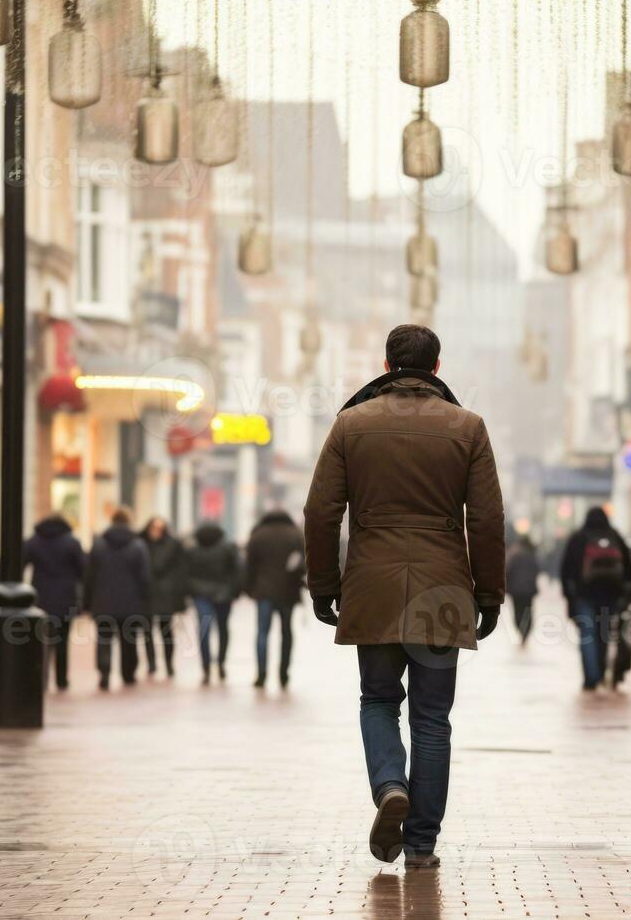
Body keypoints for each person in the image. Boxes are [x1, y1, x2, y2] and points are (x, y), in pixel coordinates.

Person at [304, 323, 505, 869]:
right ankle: (421, 844)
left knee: (378, 700)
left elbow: (320, 512)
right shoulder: (468, 427)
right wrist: (489, 595)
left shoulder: (352, 424)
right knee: (433, 718)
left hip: (373, 585)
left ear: (389, 364)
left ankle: (390, 783)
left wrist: (324, 586)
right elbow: (486, 520)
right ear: (436, 368)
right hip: (443, 587)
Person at [560, 506, 631, 691]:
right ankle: (600, 673)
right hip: (611, 596)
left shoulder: (578, 538)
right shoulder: (615, 537)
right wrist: (626, 595)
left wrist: (570, 595)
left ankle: (591, 678)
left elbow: (565, 569)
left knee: (587, 636)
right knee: (604, 636)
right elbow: (629, 569)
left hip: (584, 595)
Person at [83, 508, 151, 690]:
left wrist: (87, 602)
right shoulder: (138, 545)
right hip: (131, 602)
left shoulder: (98, 544)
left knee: (104, 639)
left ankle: (104, 672)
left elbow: (89, 576)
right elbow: (144, 576)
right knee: (129, 640)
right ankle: (128, 673)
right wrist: (145, 599)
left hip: (103, 601)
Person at [23, 511, 87, 690]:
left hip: (40, 597)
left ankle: (41, 679)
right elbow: (83, 570)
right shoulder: (72, 542)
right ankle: (61, 680)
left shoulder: (34, 541)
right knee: (62, 642)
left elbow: (20, 562)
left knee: (41, 641)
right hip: (65, 597)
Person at [244, 509, 306, 689]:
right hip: (288, 592)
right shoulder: (295, 535)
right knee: (286, 633)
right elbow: (304, 562)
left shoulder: (258, 535)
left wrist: (249, 589)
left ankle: (261, 674)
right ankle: (284, 673)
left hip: (263, 592)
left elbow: (249, 566)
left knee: (262, 632)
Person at [184, 521, 240, 684]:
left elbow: (186, 572)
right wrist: (234, 591)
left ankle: (206, 667)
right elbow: (236, 570)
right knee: (223, 629)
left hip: (201, 594)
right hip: (223, 594)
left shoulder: (192, 550)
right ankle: (221, 662)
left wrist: (191, 589)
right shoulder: (228, 548)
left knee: (203, 630)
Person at [141, 516, 186, 678]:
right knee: (147, 632)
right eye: (154, 528)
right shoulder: (141, 543)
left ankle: (169, 663)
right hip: (146, 593)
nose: (156, 532)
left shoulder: (173, 544)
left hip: (166, 594)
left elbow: (180, 570)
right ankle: (152, 664)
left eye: (160, 529)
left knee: (166, 631)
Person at [505, 534, 540, 646]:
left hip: (516, 590)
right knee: (528, 612)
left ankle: (521, 631)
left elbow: (508, 571)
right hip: (528, 590)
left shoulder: (514, 554)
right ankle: (525, 632)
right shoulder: (531, 555)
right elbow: (537, 569)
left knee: (517, 612)